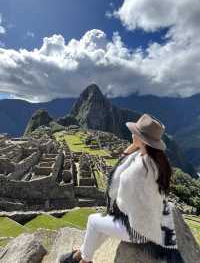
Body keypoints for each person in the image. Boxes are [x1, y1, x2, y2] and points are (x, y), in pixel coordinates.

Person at [59, 113, 173, 263]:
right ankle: (81, 253)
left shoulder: (137, 171)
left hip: (138, 231)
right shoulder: (157, 161)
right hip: (153, 225)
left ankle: (84, 259)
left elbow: (122, 203)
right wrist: (134, 146)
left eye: (135, 133)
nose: (132, 135)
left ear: (142, 139)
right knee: (105, 222)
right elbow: (123, 164)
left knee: (93, 220)